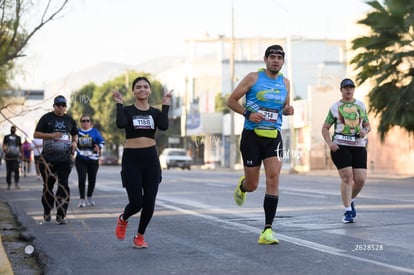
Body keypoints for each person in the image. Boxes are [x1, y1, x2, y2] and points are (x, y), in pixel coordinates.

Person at [226, 44, 294, 245]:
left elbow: (283, 106)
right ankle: (243, 186)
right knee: (254, 184)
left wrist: (287, 110)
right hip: (252, 137)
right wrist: (248, 113)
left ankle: (267, 230)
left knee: (273, 179)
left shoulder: (286, 82)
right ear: (265, 60)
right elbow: (231, 101)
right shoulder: (253, 78)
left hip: (273, 136)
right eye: (272, 57)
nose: (275, 60)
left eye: (279, 58)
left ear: (282, 61)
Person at [113, 76, 172, 248]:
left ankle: (140, 236)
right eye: (138, 87)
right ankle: (123, 218)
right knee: (137, 202)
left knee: (150, 202)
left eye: (145, 87)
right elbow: (120, 123)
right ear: (133, 91)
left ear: (150, 90)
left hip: (151, 158)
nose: (142, 89)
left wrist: (165, 105)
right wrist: (119, 104)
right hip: (131, 158)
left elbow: (164, 126)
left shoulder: (155, 112)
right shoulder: (128, 111)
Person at [321, 78, 370, 223]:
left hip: (358, 146)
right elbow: (325, 128)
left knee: (360, 179)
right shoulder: (335, 107)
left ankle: (351, 199)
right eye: (345, 88)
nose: (348, 90)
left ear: (354, 89)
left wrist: (364, 131)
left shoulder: (360, 105)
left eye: (351, 87)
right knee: (347, 177)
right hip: (340, 146)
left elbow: (368, 125)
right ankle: (348, 210)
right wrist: (330, 143)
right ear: (341, 90)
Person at [34, 95, 78, 225]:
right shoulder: (46, 118)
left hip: (65, 159)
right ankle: (47, 210)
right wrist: (51, 135)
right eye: (58, 105)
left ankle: (61, 215)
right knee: (48, 186)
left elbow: (75, 133)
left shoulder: (69, 120)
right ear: (54, 106)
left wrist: (74, 142)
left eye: (63, 105)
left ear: (66, 107)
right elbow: (36, 134)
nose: (61, 107)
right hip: (48, 160)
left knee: (63, 185)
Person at [75, 114, 105, 208]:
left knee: (92, 180)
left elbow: (102, 142)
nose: (85, 122)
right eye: (83, 121)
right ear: (80, 123)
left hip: (93, 159)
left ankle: (89, 196)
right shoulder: (77, 132)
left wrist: (99, 147)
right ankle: (82, 199)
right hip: (81, 159)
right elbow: (73, 142)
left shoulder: (94, 131)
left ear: (90, 123)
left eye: (87, 120)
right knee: (82, 178)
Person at [2, 125, 23, 189]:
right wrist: (5, 151)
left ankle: (16, 183)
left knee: (16, 170)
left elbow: (20, 146)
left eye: (14, 129)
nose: (13, 130)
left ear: (15, 130)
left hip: (16, 157)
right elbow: (4, 145)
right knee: (9, 171)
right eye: (12, 129)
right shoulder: (6, 137)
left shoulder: (18, 138)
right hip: (8, 157)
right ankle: (9, 184)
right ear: (10, 129)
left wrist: (21, 155)